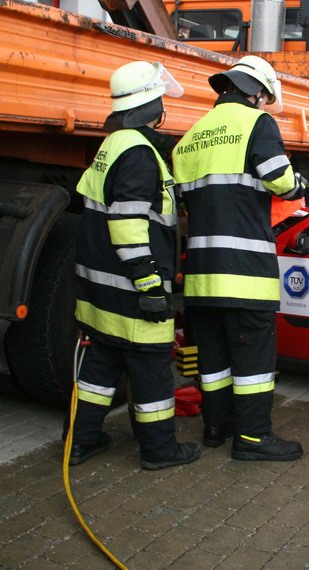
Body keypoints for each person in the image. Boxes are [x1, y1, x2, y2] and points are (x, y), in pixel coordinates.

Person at [69, 61, 201, 470]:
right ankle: (160, 450)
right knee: (152, 370)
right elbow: (127, 224)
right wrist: (149, 286)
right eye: (161, 99)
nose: (165, 106)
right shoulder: (140, 153)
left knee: (101, 365)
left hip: (99, 292)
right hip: (131, 291)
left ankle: (81, 441)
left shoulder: (111, 146)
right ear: (150, 104)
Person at [172, 56, 305, 462]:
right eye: (265, 98)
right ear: (257, 92)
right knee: (252, 359)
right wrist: (299, 182)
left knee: (212, 358)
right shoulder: (256, 124)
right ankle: (252, 438)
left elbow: (181, 198)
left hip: (201, 275)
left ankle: (217, 428)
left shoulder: (192, 135)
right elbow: (281, 180)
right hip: (244, 273)